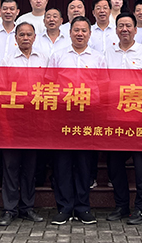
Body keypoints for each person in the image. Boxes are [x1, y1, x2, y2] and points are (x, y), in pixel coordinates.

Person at [48, 16, 106, 225]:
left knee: (84, 163)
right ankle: (64, 207)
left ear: (89, 34)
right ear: (70, 32)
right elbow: (49, 84)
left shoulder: (98, 58)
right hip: (63, 116)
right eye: (76, 30)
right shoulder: (58, 56)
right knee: (62, 163)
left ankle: (83, 207)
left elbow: (104, 87)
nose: (80, 34)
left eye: (84, 30)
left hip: (88, 116)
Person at [105, 13, 142, 224]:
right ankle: (121, 206)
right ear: (116, 30)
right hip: (115, 117)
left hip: (139, 116)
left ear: (135, 29)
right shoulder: (108, 52)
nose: (124, 29)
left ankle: (141, 209)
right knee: (114, 164)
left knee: (141, 165)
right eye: (121, 26)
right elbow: (103, 82)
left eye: (128, 26)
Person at [0, 23, 46, 226]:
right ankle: (9, 209)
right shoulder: (7, 60)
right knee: (10, 166)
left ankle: (27, 207)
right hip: (13, 119)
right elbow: (1, 90)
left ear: (35, 37)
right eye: (22, 35)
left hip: (35, 120)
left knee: (30, 166)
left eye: (29, 34)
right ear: (15, 38)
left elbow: (50, 88)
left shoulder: (44, 59)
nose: (25, 38)